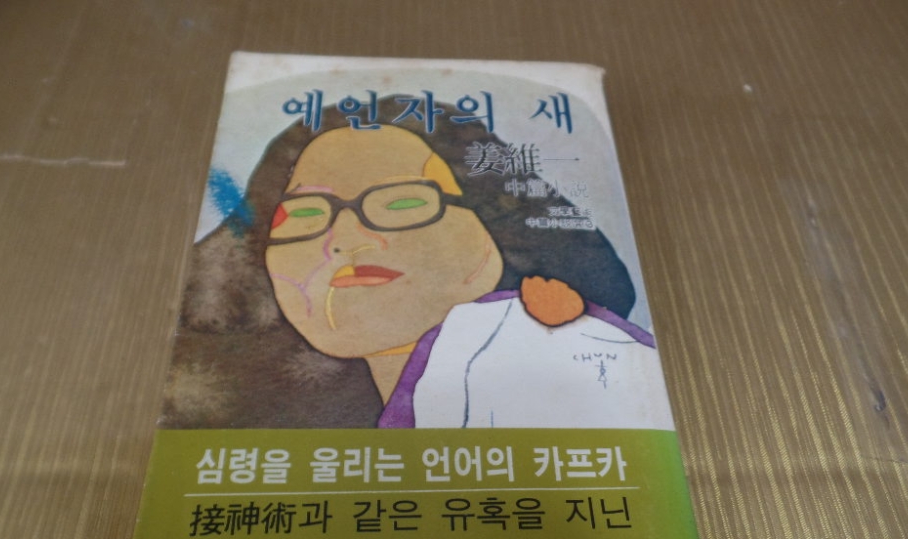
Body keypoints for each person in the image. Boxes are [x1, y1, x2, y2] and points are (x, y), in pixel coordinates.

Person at [165, 97, 672, 429]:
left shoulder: (585, 381)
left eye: (403, 203)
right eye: (305, 215)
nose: (345, 240)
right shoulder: (225, 424)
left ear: (495, 234)